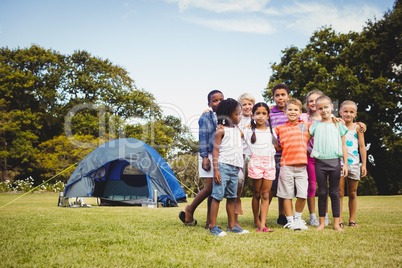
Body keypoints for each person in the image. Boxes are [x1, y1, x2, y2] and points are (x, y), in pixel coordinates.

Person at [179, 90, 224, 228]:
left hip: (220, 155)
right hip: (208, 154)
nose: (218, 103)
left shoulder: (225, 117)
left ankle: (209, 222)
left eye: (221, 100)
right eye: (215, 100)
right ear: (209, 104)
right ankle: (190, 209)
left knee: (215, 189)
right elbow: (203, 137)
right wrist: (204, 156)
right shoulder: (206, 117)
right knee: (210, 188)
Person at [210, 98, 249, 236]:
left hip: (235, 168)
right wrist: (215, 170)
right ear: (227, 116)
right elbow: (215, 150)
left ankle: (232, 226)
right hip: (223, 167)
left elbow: (246, 134)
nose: (240, 116)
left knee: (232, 197)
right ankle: (213, 226)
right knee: (217, 196)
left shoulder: (237, 130)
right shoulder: (221, 131)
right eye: (237, 114)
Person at [308, 95, 348, 231]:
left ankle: (336, 224)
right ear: (317, 110)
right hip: (320, 163)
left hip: (335, 162)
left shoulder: (338, 124)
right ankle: (321, 223)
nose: (323, 110)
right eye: (320, 108)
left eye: (326, 107)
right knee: (323, 193)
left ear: (332, 107)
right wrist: (309, 150)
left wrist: (346, 164)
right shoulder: (315, 125)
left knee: (335, 193)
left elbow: (344, 145)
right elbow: (304, 140)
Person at [275, 99, 310, 230]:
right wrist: (276, 146)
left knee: (302, 195)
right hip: (286, 166)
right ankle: (290, 221)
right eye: (290, 109)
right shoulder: (280, 128)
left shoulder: (304, 125)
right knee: (286, 195)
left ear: (300, 112)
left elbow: (320, 124)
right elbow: (268, 133)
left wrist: (337, 119)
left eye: (296, 110)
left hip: (302, 167)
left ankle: (298, 219)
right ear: (285, 112)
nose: (293, 112)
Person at [244, 102, 279, 232]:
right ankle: (256, 220)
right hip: (256, 163)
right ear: (253, 115)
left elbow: (276, 146)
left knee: (266, 194)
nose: (260, 116)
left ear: (268, 116)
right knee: (257, 193)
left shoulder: (272, 131)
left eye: (264, 113)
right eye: (257, 113)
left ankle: (262, 224)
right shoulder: (248, 130)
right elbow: (235, 133)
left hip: (269, 163)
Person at [338, 100, 367, 228]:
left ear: (355, 114)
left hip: (354, 163)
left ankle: (352, 220)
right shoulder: (337, 125)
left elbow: (362, 146)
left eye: (351, 112)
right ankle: (338, 219)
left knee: (353, 193)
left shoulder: (358, 128)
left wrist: (364, 164)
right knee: (339, 193)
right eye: (345, 111)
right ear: (340, 112)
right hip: (339, 163)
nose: (348, 114)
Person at [268, 84, 291, 225]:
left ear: (288, 96)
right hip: (275, 154)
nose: (280, 98)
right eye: (277, 95)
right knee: (272, 186)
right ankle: (261, 213)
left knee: (285, 186)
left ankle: (282, 216)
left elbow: (301, 129)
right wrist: (275, 143)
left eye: (283, 94)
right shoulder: (270, 113)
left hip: (290, 155)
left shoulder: (294, 112)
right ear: (273, 97)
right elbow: (267, 129)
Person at [235, 93, 255, 226]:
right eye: (244, 104)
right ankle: (237, 199)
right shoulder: (237, 118)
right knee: (239, 179)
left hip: (255, 153)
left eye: (250, 104)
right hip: (240, 153)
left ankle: (258, 219)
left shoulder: (258, 117)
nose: (247, 107)